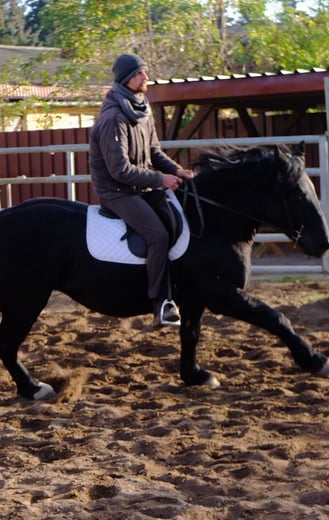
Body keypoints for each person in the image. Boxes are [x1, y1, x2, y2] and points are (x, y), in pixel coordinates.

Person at [89, 53, 193, 327]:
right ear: (126, 79)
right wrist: (160, 180)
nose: (145, 77)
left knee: (175, 220)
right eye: (139, 73)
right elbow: (119, 170)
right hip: (117, 192)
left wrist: (176, 171)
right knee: (157, 235)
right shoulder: (114, 118)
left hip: (142, 187)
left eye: (145, 71)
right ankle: (160, 303)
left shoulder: (142, 109)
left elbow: (154, 151)